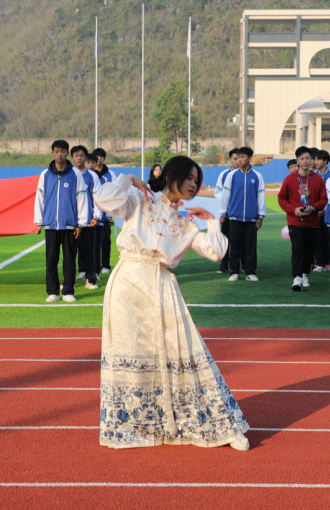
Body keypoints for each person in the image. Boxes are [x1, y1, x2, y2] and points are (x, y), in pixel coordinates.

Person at [94, 155, 251, 449]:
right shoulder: (139, 200)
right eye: (189, 178)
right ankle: (138, 424)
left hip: (161, 285)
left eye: (196, 180)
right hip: (127, 283)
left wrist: (212, 222)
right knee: (132, 352)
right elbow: (103, 200)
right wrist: (128, 179)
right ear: (171, 176)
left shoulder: (186, 223)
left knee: (186, 349)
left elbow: (216, 253)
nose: (193, 185)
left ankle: (219, 425)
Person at [33, 140, 90, 303]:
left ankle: (68, 291)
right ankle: (52, 292)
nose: (59, 154)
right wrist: (39, 221)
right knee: (51, 260)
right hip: (51, 224)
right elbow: (40, 198)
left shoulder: (76, 174)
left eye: (63, 151)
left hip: (70, 224)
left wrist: (81, 223)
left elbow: (82, 198)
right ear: (52, 153)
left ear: (67, 153)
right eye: (56, 151)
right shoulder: (45, 175)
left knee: (69, 260)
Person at [278, 146, 327, 292]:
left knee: (309, 250)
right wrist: (294, 210)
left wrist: (314, 207)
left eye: (307, 158)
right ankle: (297, 277)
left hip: (312, 223)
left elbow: (324, 199)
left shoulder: (318, 179)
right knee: (298, 249)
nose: (305, 161)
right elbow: (281, 198)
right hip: (295, 221)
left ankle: (305, 273)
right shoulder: (289, 179)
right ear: (297, 161)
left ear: (311, 160)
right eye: (302, 159)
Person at [221, 146, 266, 281]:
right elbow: (225, 196)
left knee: (250, 246)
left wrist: (260, 215)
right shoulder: (231, 175)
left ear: (250, 158)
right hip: (234, 216)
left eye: (243, 157)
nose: (239, 160)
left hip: (252, 218)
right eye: (238, 157)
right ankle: (234, 272)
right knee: (234, 245)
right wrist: (223, 214)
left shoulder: (257, 176)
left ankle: (250, 272)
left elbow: (261, 196)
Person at [71, 145, 102, 290]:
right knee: (70, 252)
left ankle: (90, 280)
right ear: (72, 157)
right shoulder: (67, 174)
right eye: (76, 155)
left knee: (89, 251)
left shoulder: (92, 176)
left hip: (88, 221)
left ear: (86, 158)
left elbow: (97, 197)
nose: (79, 158)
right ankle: (69, 281)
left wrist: (96, 216)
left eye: (82, 155)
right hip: (70, 221)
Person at [93, 148, 118, 275]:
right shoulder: (89, 173)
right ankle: (91, 267)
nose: (99, 159)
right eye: (97, 156)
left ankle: (106, 266)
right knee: (91, 242)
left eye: (101, 156)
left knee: (105, 241)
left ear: (104, 158)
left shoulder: (111, 175)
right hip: (91, 214)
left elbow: (113, 194)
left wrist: (110, 215)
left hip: (105, 213)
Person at [215, 149, 239, 274]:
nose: (237, 161)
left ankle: (243, 265)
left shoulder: (247, 174)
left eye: (239, 158)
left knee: (241, 241)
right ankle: (223, 265)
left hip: (241, 215)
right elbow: (217, 192)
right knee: (225, 240)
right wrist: (227, 199)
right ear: (229, 159)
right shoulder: (223, 175)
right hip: (227, 214)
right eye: (235, 158)